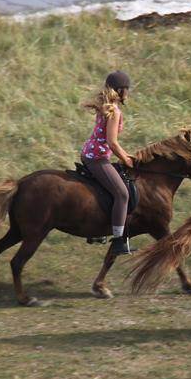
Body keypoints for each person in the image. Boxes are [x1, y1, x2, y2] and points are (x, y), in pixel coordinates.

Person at [81, 70, 135, 255]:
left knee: (107, 189)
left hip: (90, 153)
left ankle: (96, 231)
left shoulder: (106, 105)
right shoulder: (114, 111)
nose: (128, 92)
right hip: (97, 158)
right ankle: (119, 240)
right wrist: (126, 158)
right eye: (127, 89)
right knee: (122, 194)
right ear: (120, 90)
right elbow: (112, 142)